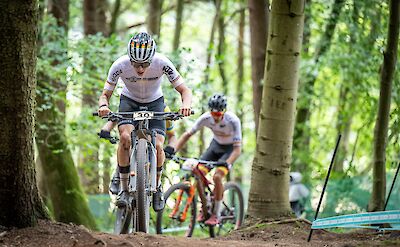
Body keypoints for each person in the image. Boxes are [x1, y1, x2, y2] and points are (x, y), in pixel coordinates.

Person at [97, 32, 192, 212]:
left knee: (157, 145)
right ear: (129, 58)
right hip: (129, 101)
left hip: (155, 102)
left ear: (152, 58)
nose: (140, 69)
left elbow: (184, 90)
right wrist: (103, 106)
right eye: (135, 64)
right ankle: (124, 190)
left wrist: (185, 105)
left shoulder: (162, 63)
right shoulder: (119, 65)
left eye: (145, 64)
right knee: (125, 137)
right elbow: (105, 95)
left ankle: (156, 188)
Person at [166, 93, 242, 226]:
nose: (215, 117)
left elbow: (237, 150)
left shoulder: (233, 121)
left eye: (218, 114)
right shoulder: (205, 118)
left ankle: (216, 214)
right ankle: (205, 207)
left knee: (217, 177)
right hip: (215, 146)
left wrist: (227, 163)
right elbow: (187, 135)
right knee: (198, 172)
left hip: (230, 149)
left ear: (224, 112)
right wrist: (173, 151)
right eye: (213, 114)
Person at [100, 104, 178, 194]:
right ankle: (119, 174)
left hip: (149, 145)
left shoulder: (163, 108)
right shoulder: (131, 102)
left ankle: (157, 186)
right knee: (125, 141)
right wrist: (106, 129)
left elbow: (172, 135)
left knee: (156, 146)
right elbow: (116, 117)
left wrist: (171, 147)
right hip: (133, 142)